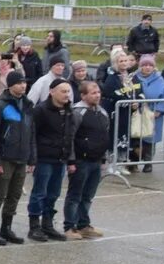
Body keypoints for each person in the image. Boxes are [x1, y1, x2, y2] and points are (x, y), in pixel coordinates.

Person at [0, 71, 35, 245]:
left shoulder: (28, 105)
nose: (23, 85)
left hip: (21, 157)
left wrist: (32, 158)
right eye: (19, 83)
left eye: (24, 83)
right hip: (5, 158)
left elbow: (31, 133)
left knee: (14, 195)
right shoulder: (0, 106)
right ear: (10, 85)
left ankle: (7, 227)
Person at [26, 79, 76, 243]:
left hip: (60, 158)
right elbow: (32, 134)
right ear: (52, 92)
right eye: (63, 91)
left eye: (68, 91)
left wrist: (70, 159)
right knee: (39, 192)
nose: (66, 95)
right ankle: (34, 226)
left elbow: (69, 135)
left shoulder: (69, 110)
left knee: (53, 193)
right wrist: (32, 158)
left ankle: (47, 223)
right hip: (44, 157)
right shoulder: (41, 110)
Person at [64, 81, 109, 240]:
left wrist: (103, 158)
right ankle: (69, 226)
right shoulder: (77, 112)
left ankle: (83, 224)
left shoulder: (102, 112)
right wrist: (71, 161)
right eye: (93, 93)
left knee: (88, 195)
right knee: (75, 195)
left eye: (98, 92)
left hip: (96, 160)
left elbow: (104, 136)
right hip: (80, 161)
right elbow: (70, 138)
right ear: (83, 95)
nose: (97, 95)